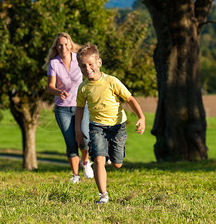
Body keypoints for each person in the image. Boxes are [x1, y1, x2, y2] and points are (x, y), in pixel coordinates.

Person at [75, 44, 145, 204]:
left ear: (99, 62)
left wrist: (141, 117)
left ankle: (110, 156)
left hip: (117, 127)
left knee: (117, 164)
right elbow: (79, 109)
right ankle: (103, 195)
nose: (87, 69)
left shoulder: (111, 81)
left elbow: (130, 99)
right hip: (96, 127)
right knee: (99, 159)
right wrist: (78, 129)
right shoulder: (83, 88)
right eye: (83, 66)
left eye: (90, 64)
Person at [45, 32, 94, 183]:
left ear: (70, 45)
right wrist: (59, 92)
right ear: (56, 47)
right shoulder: (54, 63)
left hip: (81, 106)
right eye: (60, 45)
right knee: (71, 142)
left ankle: (85, 162)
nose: (63, 47)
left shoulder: (78, 60)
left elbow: (90, 75)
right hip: (63, 109)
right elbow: (50, 87)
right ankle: (76, 175)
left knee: (84, 137)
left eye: (66, 44)